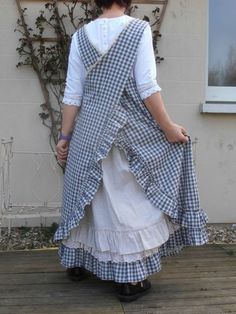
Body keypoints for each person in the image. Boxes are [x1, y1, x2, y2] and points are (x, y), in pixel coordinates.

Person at [54, 0, 209, 302]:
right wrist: (167, 127)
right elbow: (147, 87)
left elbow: (73, 92)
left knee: (92, 198)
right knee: (128, 199)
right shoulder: (138, 30)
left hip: (89, 130)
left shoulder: (81, 37)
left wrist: (65, 136)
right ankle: (130, 280)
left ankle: (78, 263)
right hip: (128, 130)